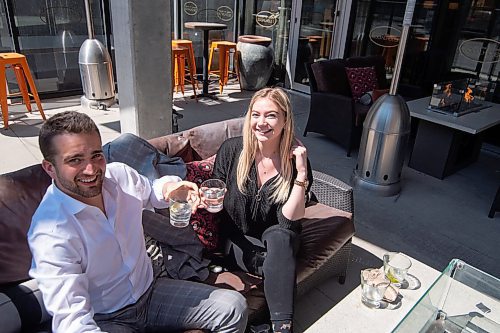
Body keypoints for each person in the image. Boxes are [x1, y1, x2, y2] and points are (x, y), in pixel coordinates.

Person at [28, 111, 248, 333]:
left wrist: (170, 188)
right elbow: (72, 322)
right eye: (75, 160)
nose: (91, 169)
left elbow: (150, 190)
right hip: (105, 318)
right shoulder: (50, 233)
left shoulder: (119, 176)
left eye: (96, 155)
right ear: (50, 168)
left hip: (151, 293)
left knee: (233, 308)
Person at [210, 87, 313, 333]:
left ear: (285, 119)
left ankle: (281, 328)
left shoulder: (294, 160)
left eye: (271, 115)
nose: (261, 122)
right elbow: (216, 196)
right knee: (279, 264)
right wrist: (205, 202)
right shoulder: (232, 150)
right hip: (238, 241)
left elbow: (289, 222)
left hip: (277, 240)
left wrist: (301, 175)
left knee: (281, 238)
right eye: (256, 115)